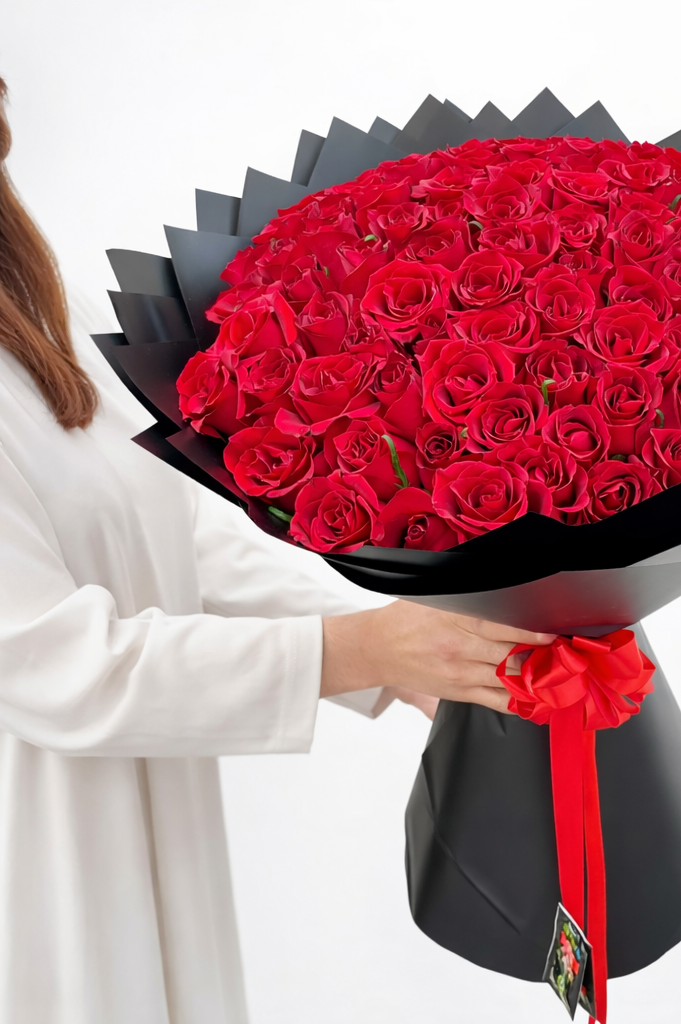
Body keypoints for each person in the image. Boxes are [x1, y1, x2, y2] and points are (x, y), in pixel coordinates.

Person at [0, 76, 554, 1024]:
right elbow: (50, 662)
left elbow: (186, 538)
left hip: (131, 815)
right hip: (39, 841)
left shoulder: (46, 326)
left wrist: (414, 651)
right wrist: (358, 653)